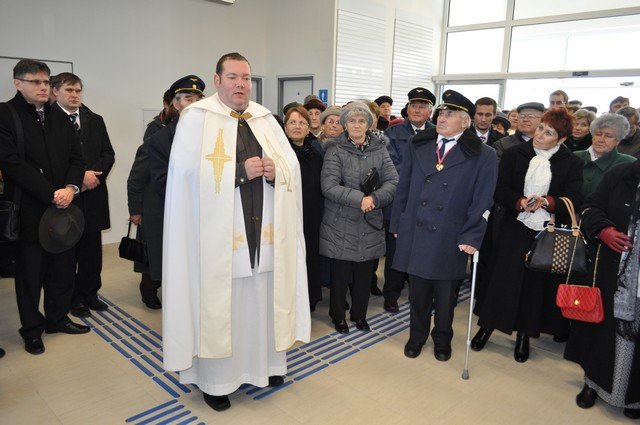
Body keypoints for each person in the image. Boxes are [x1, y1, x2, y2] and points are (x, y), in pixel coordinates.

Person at [162, 52, 310, 412]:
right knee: (221, 306)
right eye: (232, 77)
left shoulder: (265, 119)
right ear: (217, 81)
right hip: (218, 240)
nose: (240, 84)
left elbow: (290, 167)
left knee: (263, 300)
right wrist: (240, 172)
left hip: (264, 235)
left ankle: (266, 367)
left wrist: (277, 172)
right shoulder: (197, 118)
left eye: (245, 78)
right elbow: (186, 176)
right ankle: (216, 382)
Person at [391, 90, 498, 361]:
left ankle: (442, 338)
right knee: (417, 291)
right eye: (441, 113)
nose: (441, 118)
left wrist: (472, 235)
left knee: (445, 294)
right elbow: (404, 186)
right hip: (417, 227)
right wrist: (399, 222)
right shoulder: (418, 144)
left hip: (451, 232)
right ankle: (416, 336)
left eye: (450, 114)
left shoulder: (482, 154)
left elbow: (483, 199)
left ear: (465, 122)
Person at [472, 108, 583, 362]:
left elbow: (576, 198)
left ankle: (524, 334)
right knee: (503, 279)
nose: (540, 135)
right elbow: (500, 190)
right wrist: (520, 202)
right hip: (515, 225)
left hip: (547, 230)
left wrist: (547, 201)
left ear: (562, 139)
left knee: (534, 286)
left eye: (549, 133)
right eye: (541, 128)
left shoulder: (572, 162)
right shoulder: (515, 153)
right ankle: (487, 326)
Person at [0, 59, 88, 355]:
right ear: (18, 83)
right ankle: (32, 330)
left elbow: (77, 158)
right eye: (35, 81)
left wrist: (71, 188)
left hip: (64, 206)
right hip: (29, 209)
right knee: (30, 274)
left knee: (62, 267)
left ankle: (57, 318)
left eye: (46, 82)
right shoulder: (6, 114)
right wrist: (51, 193)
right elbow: (11, 163)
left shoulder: (59, 116)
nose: (42, 87)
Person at [564, 160, 640, 420]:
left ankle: (635, 396)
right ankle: (593, 384)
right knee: (604, 329)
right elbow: (590, 207)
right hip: (612, 269)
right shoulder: (621, 173)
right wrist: (604, 230)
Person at [128, 76, 205, 310]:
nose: (194, 104)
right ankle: (149, 290)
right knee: (158, 258)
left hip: (197, 210)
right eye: (188, 99)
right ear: (176, 104)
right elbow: (137, 177)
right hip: (161, 209)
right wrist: (135, 210)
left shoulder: (211, 136)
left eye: (198, 99)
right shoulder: (158, 140)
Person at [320, 101, 398, 333]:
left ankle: (359, 315)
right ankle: (338, 316)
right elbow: (329, 186)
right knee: (340, 275)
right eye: (351, 121)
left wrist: (374, 199)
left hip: (370, 221)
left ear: (369, 124)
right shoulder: (335, 150)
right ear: (345, 124)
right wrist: (359, 199)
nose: (356, 125)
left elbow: (392, 180)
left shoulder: (379, 149)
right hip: (340, 222)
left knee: (365, 274)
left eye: (361, 121)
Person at [51, 72, 115, 318]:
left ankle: (90, 293)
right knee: (68, 252)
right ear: (56, 91)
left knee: (92, 251)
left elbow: (108, 154)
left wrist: (92, 177)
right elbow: (51, 161)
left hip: (93, 193)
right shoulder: (48, 120)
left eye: (78, 90)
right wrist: (80, 178)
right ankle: (73, 298)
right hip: (66, 197)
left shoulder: (95, 119)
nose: (75, 95)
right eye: (69, 90)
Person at [383, 87, 436, 313]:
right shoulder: (393, 133)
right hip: (401, 202)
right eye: (414, 105)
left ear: (430, 111)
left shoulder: (438, 133)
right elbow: (392, 166)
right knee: (396, 251)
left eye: (422, 106)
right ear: (407, 108)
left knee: (424, 251)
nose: (417, 110)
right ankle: (391, 294)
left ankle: (420, 294)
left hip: (430, 203)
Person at [283, 106, 323, 311]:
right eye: (292, 122)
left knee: (310, 256)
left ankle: (309, 298)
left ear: (309, 128)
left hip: (311, 215)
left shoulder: (316, 154)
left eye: (302, 123)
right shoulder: (278, 153)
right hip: (285, 215)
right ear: (285, 126)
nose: (297, 127)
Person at [574, 114, 635, 196]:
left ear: (618, 141)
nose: (601, 140)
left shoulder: (628, 163)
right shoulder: (576, 157)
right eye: (598, 134)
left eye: (608, 136)